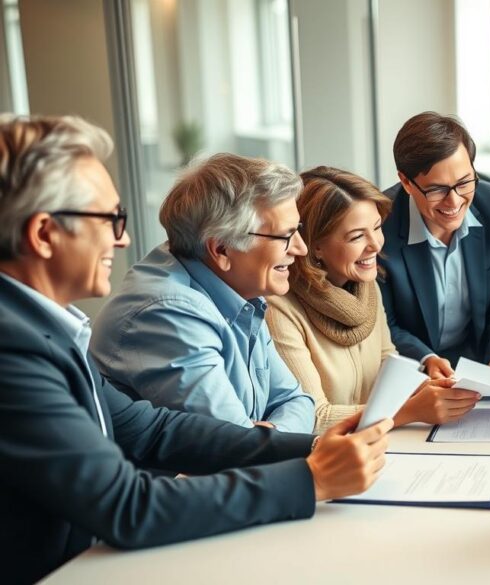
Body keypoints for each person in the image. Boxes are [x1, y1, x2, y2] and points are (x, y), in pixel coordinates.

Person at [0, 115, 391, 584]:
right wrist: (312, 479)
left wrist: (311, 446)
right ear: (44, 234)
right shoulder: (13, 349)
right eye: (110, 220)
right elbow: (127, 505)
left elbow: (152, 430)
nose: (122, 238)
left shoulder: (43, 329)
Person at [90, 153, 315, 432]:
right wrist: (263, 440)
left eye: (298, 230)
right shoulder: (167, 311)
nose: (301, 248)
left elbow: (298, 401)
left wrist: (269, 436)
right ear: (221, 249)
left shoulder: (241, 290)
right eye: (286, 235)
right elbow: (232, 443)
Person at [267, 166, 481, 433]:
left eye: (377, 228)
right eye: (357, 236)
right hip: (330, 458)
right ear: (315, 245)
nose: (376, 245)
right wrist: (409, 410)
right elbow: (315, 417)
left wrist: (422, 387)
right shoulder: (279, 310)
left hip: (378, 443)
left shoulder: (367, 287)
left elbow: (384, 363)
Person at [379, 112, 490, 378]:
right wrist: (426, 359)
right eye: (437, 189)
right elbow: (385, 324)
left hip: (477, 364)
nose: (454, 202)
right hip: (409, 369)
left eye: (464, 182)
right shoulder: (379, 225)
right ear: (406, 182)